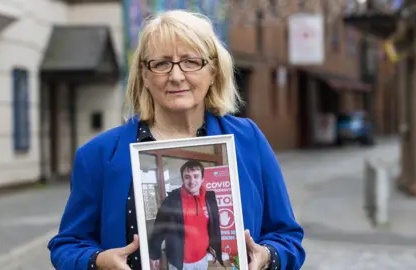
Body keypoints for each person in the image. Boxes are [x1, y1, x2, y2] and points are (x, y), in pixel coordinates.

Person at [48, 9, 305, 270]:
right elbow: (67, 245)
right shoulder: (98, 154)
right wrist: (97, 261)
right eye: (161, 64)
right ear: (145, 76)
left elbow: (288, 238)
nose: (177, 76)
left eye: (191, 61)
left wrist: (268, 257)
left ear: (213, 71)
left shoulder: (248, 140)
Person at [148, 160, 223, 270]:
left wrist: (215, 247)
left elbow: (213, 226)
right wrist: (154, 255)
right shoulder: (171, 200)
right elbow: (159, 228)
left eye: (196, 176)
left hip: (203, 258)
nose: (192, 181)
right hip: (179, 262)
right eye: (187, 177)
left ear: (202, 179)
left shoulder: (210, 198)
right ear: (183, 179)